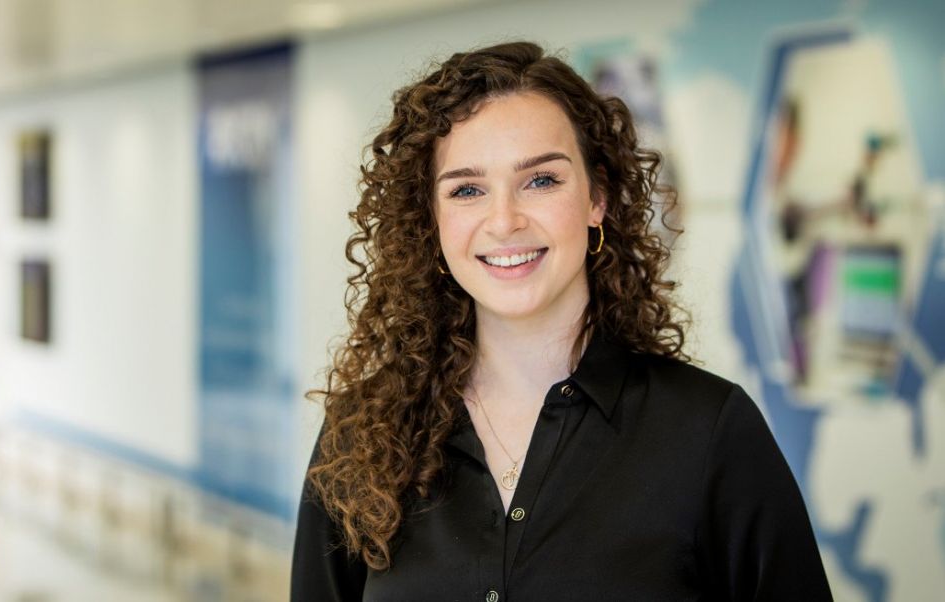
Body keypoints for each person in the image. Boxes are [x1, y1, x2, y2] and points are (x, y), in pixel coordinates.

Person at [291, 41, 832, 601]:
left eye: (541, 180)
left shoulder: (708, 432)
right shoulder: (359, 436)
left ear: (596, 197)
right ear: (431, 218)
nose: (504, 220)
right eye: (467, 190)